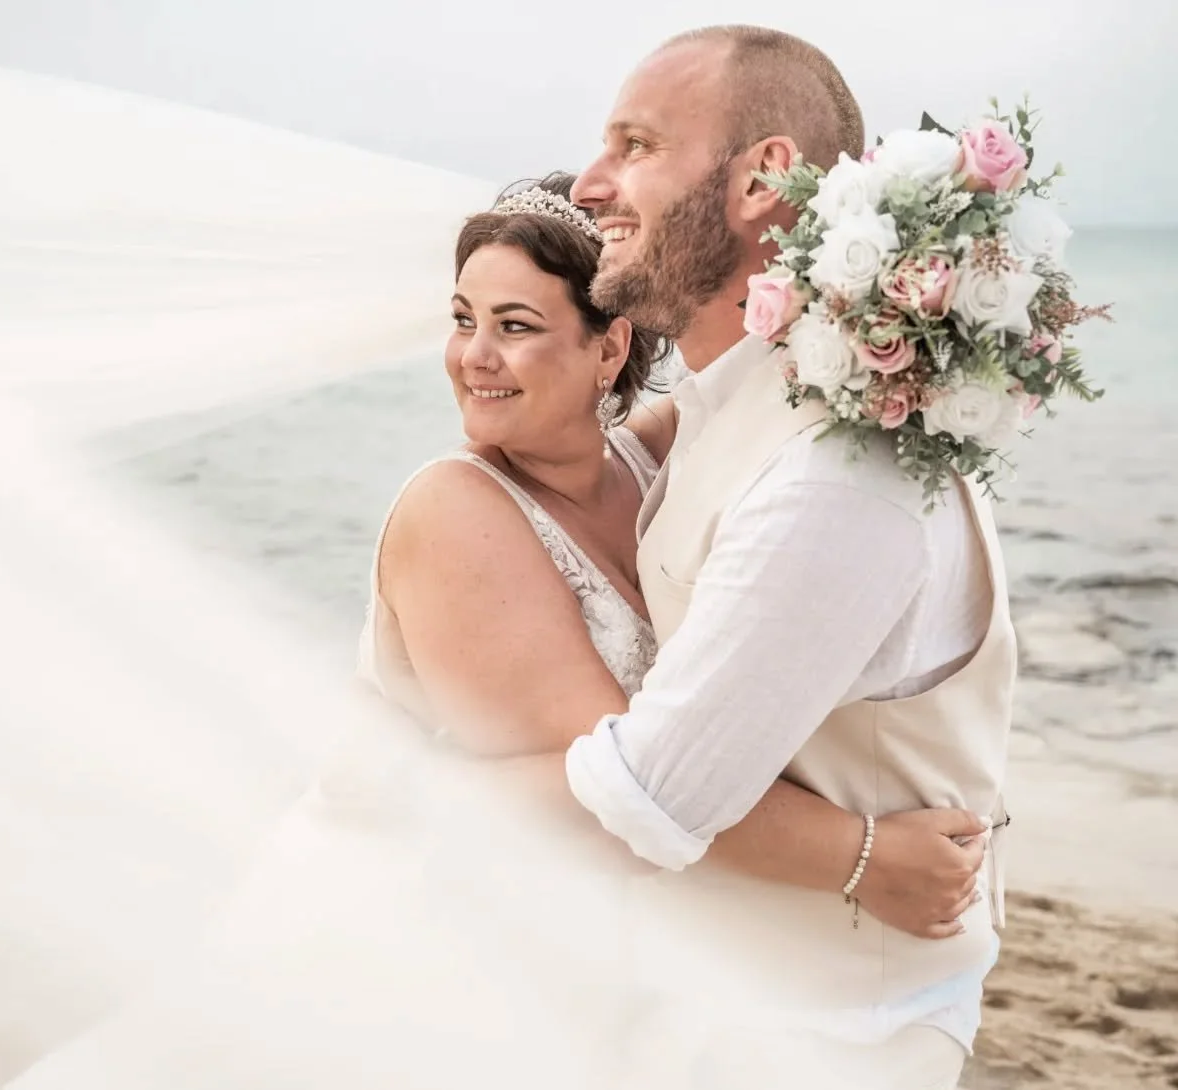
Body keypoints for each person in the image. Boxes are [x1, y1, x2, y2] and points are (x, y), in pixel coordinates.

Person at [559, 25, 1017, 1088]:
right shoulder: (738, 405)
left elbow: (646, 802)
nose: (590, 184)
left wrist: (431, 756)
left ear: (764, 179)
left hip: (818, 1041)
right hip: (710, 1005)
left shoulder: (838, 478)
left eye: (634, 145)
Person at [359, 170, 988, 936]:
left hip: (627, 927)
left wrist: (900, 330)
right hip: (478, 929)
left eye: (514, 326)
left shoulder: (653, 458)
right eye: (464, 320)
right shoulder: (455, 514)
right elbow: (627, 794)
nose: (472, 357)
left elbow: (754, 381)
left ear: (610, 347)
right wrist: (862, 856)